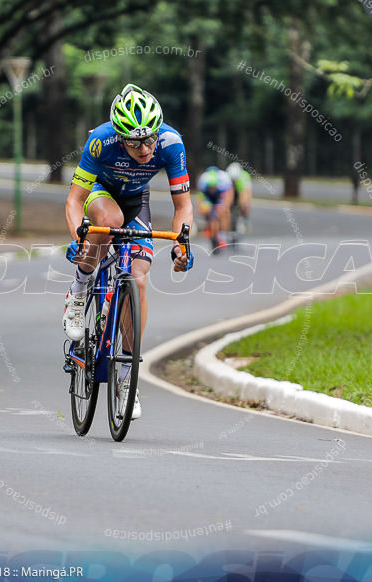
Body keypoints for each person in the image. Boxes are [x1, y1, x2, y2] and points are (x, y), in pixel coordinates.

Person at [62, 83, 194, 420]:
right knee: (108, 220)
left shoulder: (170, 142)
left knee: (138, 278)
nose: (145, 148)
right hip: (101, 192)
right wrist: (79, 239)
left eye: (149, 139)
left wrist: (181, 243)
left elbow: (183, 206)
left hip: (138, 201)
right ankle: (79, 289)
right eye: (135, 142)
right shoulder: (100, 140)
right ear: (120, 136)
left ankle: (126, 377)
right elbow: (75, 201)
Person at [197, 166, 233, 252]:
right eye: (210, 187)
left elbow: (229, 195)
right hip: (208, 197)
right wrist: (201, 209)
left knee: (223, 212)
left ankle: (223, 235)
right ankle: (209, 227)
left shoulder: (224, 181)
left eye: (213, 187)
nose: (212, 189)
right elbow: (200, 198)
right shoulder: (202, 181)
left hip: (220, 197)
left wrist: (226, 208)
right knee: (205, 211)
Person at [226, 162, 252, 237]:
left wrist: (243, 206)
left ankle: (245, 219)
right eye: (232, 180)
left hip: (243, 189)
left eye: (234, 180)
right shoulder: (227, 178)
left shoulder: (243, 178)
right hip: (231, 190)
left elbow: (245, 194)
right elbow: (226, 194)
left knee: (245, 204)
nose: (233, 182)